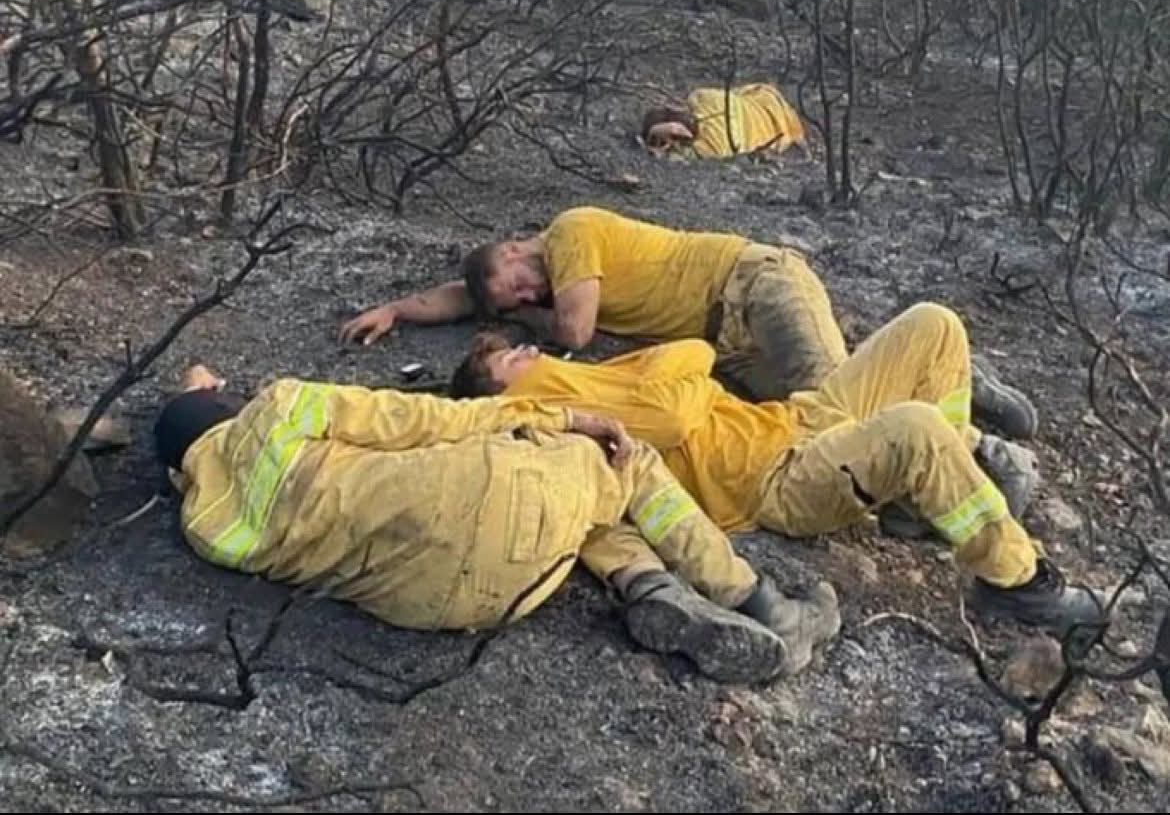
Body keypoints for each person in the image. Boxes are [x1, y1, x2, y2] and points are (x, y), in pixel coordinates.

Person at [155, 365, 840, 684]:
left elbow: (198, 458)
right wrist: (563, 418)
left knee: (577, 511)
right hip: (494, 498)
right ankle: (758, 600)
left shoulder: (204, 522)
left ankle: (652, 588)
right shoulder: (276, 410)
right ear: (223, 411)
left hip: (460, 604)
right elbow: (429, 417)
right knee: (625, 463)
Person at [449, 303, 1104, 636]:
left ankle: (914, 505)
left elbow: (678, 371)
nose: (526, 348)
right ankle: (1018, 578)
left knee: (934, 325)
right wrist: (683, 368)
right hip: (781, 480)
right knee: (915, 427)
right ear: (497, 388)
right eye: (509, 357)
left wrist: (678, 369)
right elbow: (677, 403)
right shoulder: (552, 406)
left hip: (797, 420)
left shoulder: (583, 377)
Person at [339, 205, 848, 403]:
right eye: (515, 300)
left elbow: (575, 333)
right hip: (729, 345)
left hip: (752, 283)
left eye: (516, 284)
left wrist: (524, 315)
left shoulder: (569, 234)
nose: (526, 297)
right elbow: (462, 295)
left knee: (833, 395)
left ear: (514, 247)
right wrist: (397, 310)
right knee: (804, 413)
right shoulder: (537, 278)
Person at [641, 83, 808, 161]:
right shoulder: (700, 97)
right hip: (769, 102)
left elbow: (670, 155)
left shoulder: (708, 148)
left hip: (771, 109)